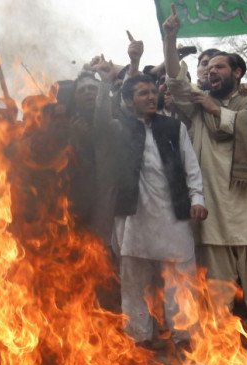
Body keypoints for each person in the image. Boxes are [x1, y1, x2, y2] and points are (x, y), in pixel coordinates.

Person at [163, 8, 247, 338]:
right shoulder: (197, 103)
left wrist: (219, 111)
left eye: (219, 67)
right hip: (210, 204)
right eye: (208, 68)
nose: (212, 73)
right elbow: (174, 80)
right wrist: (170, 39)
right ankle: (223, 338)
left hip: (244, 201)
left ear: (237, 72)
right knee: (217, 280)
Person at [93, 59, 207, 345]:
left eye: (152, 91)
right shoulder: (120, 127)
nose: (151, 96)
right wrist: (106, 82)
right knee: (134, 285)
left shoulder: (173, 127)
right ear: (129, 101)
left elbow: (191, 166)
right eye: (143, 93)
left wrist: (197, 198)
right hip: (133, 218)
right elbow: (100, 119)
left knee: (180, 281)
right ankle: (139, 340)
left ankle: (183, 338)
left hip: (173, 216)